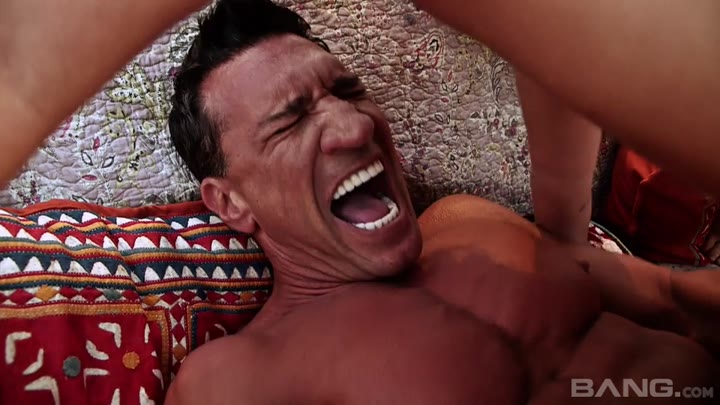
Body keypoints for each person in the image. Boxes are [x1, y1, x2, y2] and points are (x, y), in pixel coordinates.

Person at [0, 0, 717, 403]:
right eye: (290, 121)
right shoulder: (238, 380)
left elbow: (675, 299)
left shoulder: (469, 223)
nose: (353, 127)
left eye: (346, 90)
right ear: (231, 202)